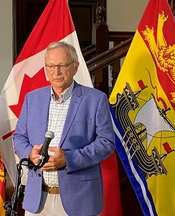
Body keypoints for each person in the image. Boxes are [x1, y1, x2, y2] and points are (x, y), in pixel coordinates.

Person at [13, 41, 115, 216]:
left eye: (62, 65)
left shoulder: (95, 99)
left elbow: (106, 143)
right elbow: (19, 138)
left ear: (75, 67)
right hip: (38, 200)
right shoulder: (33, 99)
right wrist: (30, 153)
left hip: (80, 199)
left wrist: (69, 159)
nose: (56, 72)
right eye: (51, 66)